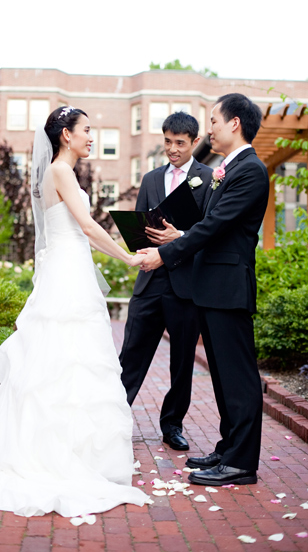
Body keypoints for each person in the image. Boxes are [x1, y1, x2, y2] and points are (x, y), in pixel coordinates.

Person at [0, 106, 149, 518]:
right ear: (65, 135)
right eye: (87, 131)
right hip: (68, 272)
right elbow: (90, 229)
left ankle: (81, 454)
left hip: (69, 267)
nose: (92, 137)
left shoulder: (63, 172)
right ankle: (61, 457)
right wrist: (129, 259)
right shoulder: (60, 171)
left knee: (73, 362)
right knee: (65, 361)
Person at [138, 93, 269, 486]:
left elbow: (216, 227)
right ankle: (228, 449)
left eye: (213, 119)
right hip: (211, 290)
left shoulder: (250, 170)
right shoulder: (225, 168)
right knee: (224, 379)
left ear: (234, 123)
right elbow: (209, 226)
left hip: (229, 289)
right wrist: (179, 234)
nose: (208, 126)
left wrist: (166, 254)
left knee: (240, 379)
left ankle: (241, 463)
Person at [119, 112, 213, 451]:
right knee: (131, 353)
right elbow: (141, 226)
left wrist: (180, 236)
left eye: (180, 143)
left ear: (194, 143)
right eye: (168, 142)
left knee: (182, 360)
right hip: (150, 281)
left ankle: (172, 425)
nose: (172, 149)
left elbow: (208, 230)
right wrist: (140, 244)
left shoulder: (210, 178)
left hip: (186, 283)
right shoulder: (150, 179)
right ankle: (113, 417)